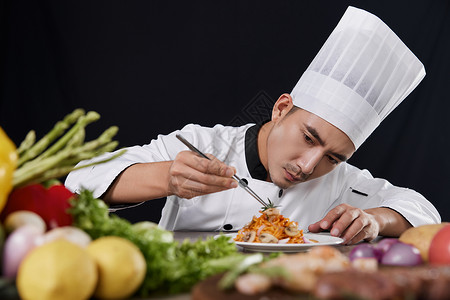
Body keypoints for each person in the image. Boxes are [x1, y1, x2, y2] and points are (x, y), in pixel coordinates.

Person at [65, 6, 440, 244]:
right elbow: (80, 179)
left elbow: (423, 210)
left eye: (334, 157)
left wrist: (374, 219)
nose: (309, 167)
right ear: (281, 108)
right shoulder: (199, 142)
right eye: (309, 137)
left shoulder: (342, 183)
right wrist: (167, 178)